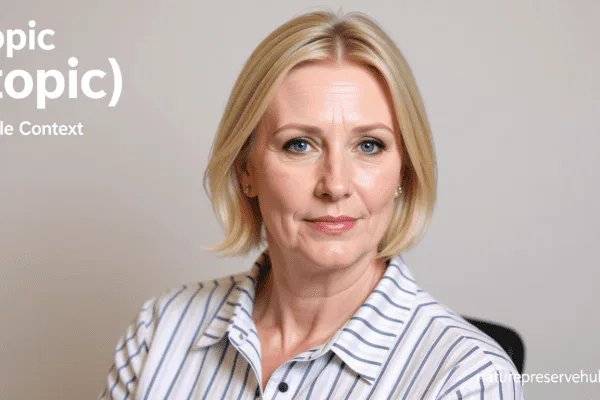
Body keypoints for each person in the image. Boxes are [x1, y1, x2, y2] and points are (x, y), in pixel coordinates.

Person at [98, 9, 525, 400]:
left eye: (369, 145)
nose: (335, 185)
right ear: (247, 170)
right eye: (299, 144)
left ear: (403, 172)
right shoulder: (160, 330)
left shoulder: (470, 379)